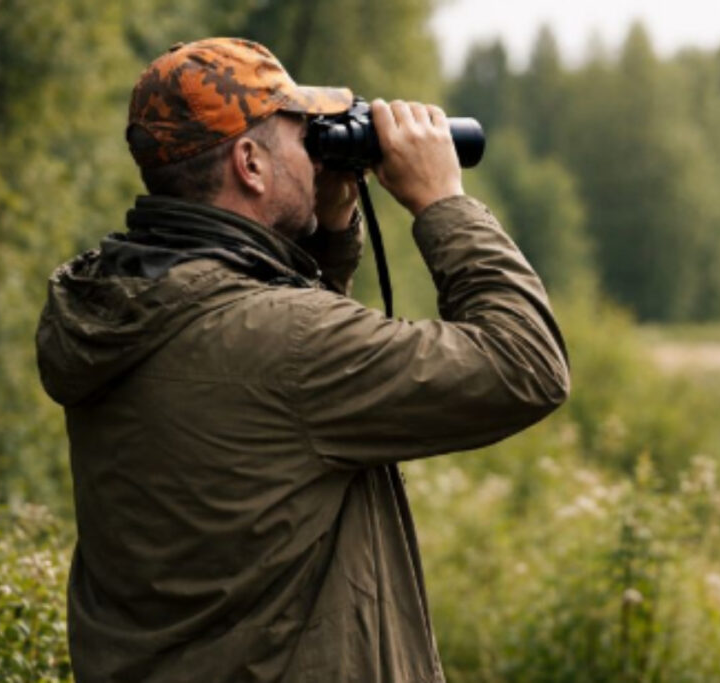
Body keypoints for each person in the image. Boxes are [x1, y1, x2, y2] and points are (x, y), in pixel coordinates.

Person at [36, 38, 569, 682]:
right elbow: (526, 365)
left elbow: (274, 399)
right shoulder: (283, 343)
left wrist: (332, 230)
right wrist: (442, 203)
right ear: (251, 163)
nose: (314, 154)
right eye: (301, 135)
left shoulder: (126, 307)